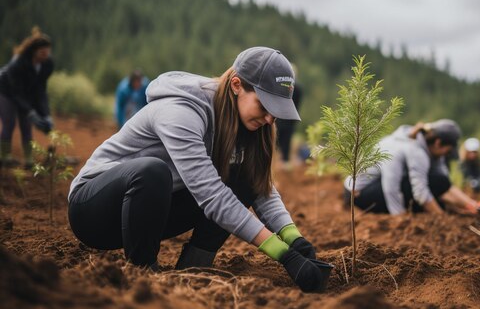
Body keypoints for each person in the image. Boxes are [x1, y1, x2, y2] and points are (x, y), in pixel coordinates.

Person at [68, 47, 324, 292]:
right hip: (94, 211)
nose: (270, 119)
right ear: (237, 85)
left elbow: (259, 188)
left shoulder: (247, 123)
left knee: (244, 176)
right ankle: (143, 274)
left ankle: (194, 269)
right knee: (152, 171)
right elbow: (212, 195)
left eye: (275, 112)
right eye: (264, 106)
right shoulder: (182, 111)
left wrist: (294, 239)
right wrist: (282, 254)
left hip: (150, 214)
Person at [344, 119, 480, 215]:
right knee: (432, 190)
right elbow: (392, 187)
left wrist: (473, 205)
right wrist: (400, 216)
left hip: (375, 189)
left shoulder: (428, 147)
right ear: (438, 143)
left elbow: (445, 183)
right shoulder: (412, 150)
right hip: (359, 194)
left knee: (439, 183)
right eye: (448, 151)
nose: (447, 155)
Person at [0, 27, 54, 168]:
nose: (46, 54)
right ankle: (4, 158)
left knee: (26, 125)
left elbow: (41, 90)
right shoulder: (18, 63)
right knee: (9, 122)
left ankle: (29, 161)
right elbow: (15, 92)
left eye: (48, 51)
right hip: (6, 90)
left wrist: (46, 114)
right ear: (33, 51)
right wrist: (30, 111)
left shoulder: (47, 64)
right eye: (42, 51)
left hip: (24, 93)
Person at [275, 64, 302, 170]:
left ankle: (279, 163)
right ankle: (283, 163)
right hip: (289, 120)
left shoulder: (280, 86)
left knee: (276, 142)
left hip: (280, 119)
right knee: (285, 143)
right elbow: (297, 107)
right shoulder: (299, 89)